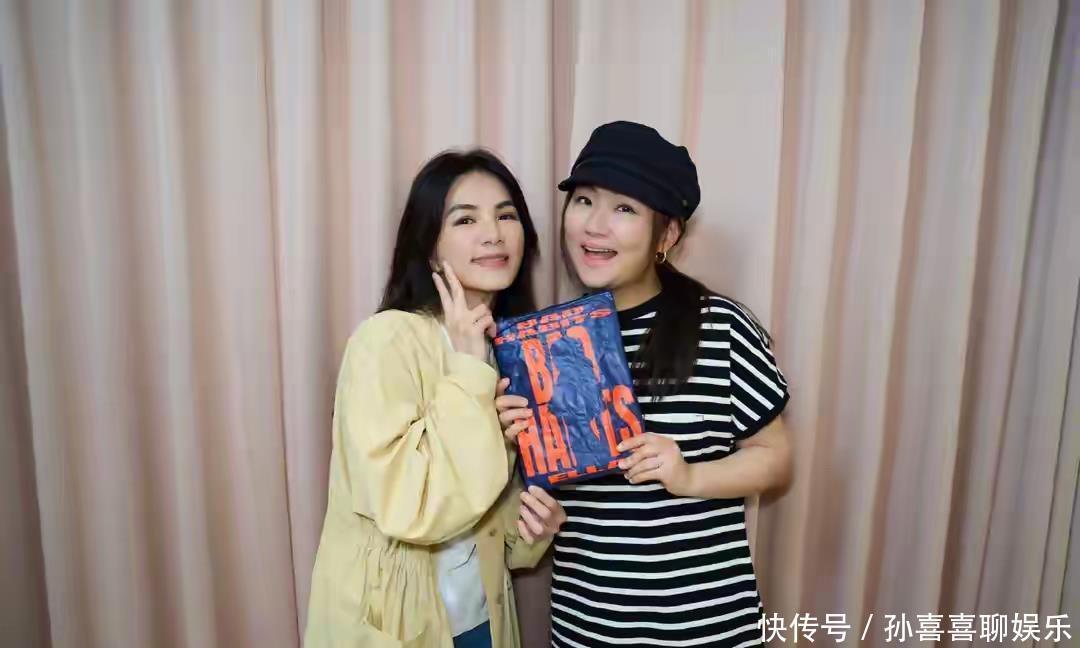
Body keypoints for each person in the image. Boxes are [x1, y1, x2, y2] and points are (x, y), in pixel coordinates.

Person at [496, 122, 793, 647]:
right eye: (584, 200)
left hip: (707, 630)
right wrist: (508, 443)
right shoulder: (540, 342)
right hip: (589, 628)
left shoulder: (721, 327)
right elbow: (534, 498)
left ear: (668, 235)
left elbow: (776, 458)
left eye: (624, 208)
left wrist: (689, 476)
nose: (595, 226)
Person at [305, 149, 567, 648]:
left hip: (481, 622)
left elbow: (484, 521)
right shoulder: (385, 340)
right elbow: (407, 506)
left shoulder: (504, 352)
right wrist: (469, 373)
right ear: (428, 247)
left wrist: (532, 526)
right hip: (397, 628)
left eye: (506, 215)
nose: (493, 234)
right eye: (465, 219)